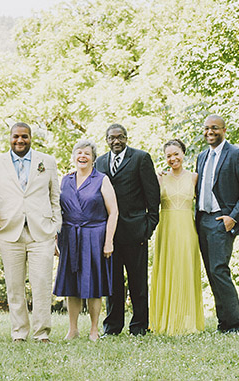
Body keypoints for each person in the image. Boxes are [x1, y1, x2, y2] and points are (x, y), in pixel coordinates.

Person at [0, 122, 61, 342]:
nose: (20, 140)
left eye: (24, 136)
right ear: (9, 138)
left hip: (42, 233)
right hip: (8, 232)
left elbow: (55, 197)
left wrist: (56, 227)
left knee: (42, 284)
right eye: (16, 136)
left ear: (30, 138)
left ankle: (41, 333)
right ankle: (19, 332)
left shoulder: (47, 162)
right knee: (14, 286)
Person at [94, 123, 160, 336]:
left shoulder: (141, 158)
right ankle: (112, 327)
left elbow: (153, 195)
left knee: (137, 282)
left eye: (120, 137)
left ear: (126, 138)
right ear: (106, 140)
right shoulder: (100, 162)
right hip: (109, 235)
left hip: (135, 231)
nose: (116, 141)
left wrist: (147, 227)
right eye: (112, 138)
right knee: (113, 283)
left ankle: (139, 326)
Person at [195, 114, 239, 333]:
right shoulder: (201, 157)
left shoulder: (236, 154)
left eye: (215, 128)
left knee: (220, 270)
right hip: (202, 220)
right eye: (206, 128)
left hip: (222, 219)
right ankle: (224, 323)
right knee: (212, 272)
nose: (209, 132)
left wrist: (233, 217)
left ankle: (236, 325)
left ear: (224, 130)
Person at [54, 139, 118, 341]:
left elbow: (114, 212)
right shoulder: (65, 180)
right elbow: (57, 211)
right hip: (69, 235)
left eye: (87, 154)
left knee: (94, 285)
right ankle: (72, 329)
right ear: (73, 157)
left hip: (94, 236)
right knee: (71, 285)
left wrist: (109, 241)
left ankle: (94, 329)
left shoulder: (101, 179)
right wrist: (55, 239)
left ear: (93, 158)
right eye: (79, 153)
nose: (82, 156)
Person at [149, 139, 204, 336]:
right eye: (169, 156)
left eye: (176, 154)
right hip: (167, 229)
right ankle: (165, 320)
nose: (173, 159)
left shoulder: (195, 177)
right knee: (167, 269)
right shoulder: (160, 178)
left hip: (187, 229)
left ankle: (186, 321)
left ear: (183, 153)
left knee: (185, 270)